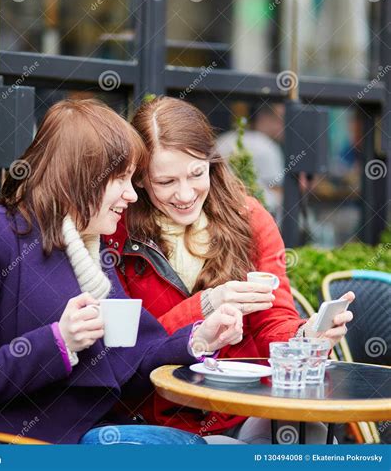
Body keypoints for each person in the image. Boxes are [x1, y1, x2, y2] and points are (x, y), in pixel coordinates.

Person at [0, 99, 244, 445]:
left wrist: (198, 339)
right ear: (80, 176)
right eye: (121, 179)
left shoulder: (90, 249)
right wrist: (58, 342)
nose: (132, 195)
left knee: (228, 449)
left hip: (82, 434)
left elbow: (131, 362)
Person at [106, 96, 354, 444]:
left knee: (304, 427)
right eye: (166, 182)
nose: (186, 193)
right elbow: (125, 352)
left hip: (243, 411)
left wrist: (305, 336)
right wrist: (205, 304)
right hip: (155, 420)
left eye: (196, 173)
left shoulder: (249, 218)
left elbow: (273, 320)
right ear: (141, 179)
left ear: (212, 162)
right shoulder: (116, 228)